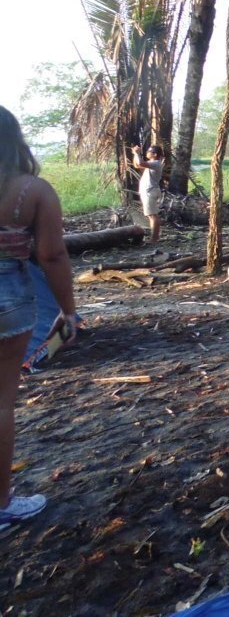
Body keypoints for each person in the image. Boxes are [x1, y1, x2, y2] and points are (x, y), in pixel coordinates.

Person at [0, 106, 76, 531]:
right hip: (8, 296)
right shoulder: (32, 191)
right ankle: (1, 504)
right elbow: (51, 255)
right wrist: (68, 310)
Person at [130, 144, 165, 242]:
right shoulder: (152, 163)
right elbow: (137, 165)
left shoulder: (156, 163)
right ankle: (155, 237)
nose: (147, 153)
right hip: (149, 191)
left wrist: (137, 153)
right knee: (151, 215)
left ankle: (154, 238)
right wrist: (135, 154)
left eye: (149, 151)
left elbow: (140, 163)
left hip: (150, 191)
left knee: (152, 215)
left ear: (154, 154)